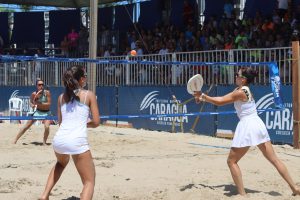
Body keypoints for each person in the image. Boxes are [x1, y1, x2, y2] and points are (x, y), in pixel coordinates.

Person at [193, 67, 300, 196]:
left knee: (231, 161)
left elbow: (220, 102)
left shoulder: (241, 92)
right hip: (257, 124)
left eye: (237, 75)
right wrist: (202, 97)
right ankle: (294, 188)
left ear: (243, 79)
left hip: (248, 125)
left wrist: (203, 96)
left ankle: (242, 195)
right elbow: (220, 97)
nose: (235, 76)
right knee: (274, 160)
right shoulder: (240, 89)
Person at [39, 65, 100, 200]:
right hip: (76, 141)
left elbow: (61, 123)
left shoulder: (61, 97)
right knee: (89, 182)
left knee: (60, 163)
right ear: (82, 80)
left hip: (59, 140)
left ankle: (44, 195)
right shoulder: (88, 95)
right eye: (84, 76)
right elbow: (96, 122)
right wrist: (84, 123)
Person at [13, 79, 52, 145]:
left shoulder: (47, 92)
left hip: (47, 112)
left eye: (42, 84)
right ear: (36, 86)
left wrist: (38, 103)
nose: (41, 86)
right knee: (26, 126)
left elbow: (48, 103)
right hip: (38, 112)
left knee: (47, 127)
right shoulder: (34, 94)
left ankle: (44, 142)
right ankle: (15, 140)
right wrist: (32, 105)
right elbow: (30, 102)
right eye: (39, 85)